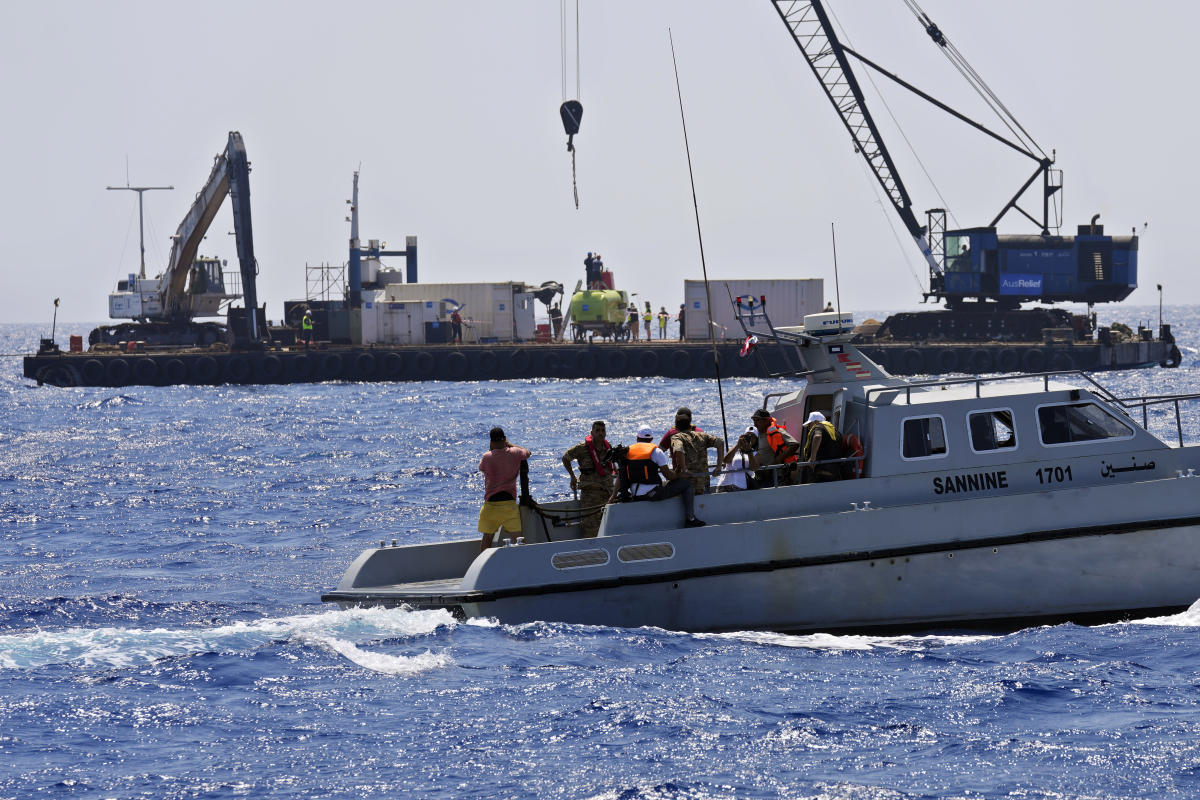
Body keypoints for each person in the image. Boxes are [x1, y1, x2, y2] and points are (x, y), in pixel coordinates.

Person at [612, 425, 704, 528]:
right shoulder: (656, 452)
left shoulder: (628, 451)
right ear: (651, 439)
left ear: (637, 438)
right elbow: (669, 476)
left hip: (635, 493)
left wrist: (612, 496)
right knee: (686, 484)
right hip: (652, 494)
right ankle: (690, 519)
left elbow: (621, 475)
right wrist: (680, 474)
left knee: (666, 484)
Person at [477, 427, 531, 550]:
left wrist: (492, 450)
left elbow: (481, 468)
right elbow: (527, 453)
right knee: (518, 539)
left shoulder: (486, 457)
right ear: (505, 439)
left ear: (491, 442)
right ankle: (525, 563)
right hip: (509, 504)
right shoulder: (516, 452)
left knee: (487, 538)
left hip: (491, 505)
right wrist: (510, 445)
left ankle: (486, 567)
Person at [561, 420, 615, 537]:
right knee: (590, 528)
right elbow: (565, 458)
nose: (601, 433)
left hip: (608, 493)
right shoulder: (582, 448)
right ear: (592, 432)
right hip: (591, 495)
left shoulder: (608, 447)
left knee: (610, 526)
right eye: (597, 431)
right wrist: (572, 476)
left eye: (603, 431)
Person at [668, 410, 725, 497]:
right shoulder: (702, 436)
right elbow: (720, 442)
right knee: (704, 507)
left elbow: (679, 449)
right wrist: (718, 466)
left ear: (676, 426)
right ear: (690, 424)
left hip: (687, 482)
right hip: (703, 480)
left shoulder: (677, 437)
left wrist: (684, 469)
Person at [751, 408, 799, 487]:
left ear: (766, 421)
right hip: (763, 476)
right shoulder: (759, 435)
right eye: (754, 420)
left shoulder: (777, 431)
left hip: (776, 475)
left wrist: (778, 459)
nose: (755, 424)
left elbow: (794, 444)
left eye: (758, 420)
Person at [800, 410, 842, 483]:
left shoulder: (818, 427)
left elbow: (817, 436)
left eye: (809, 424)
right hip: (833, 470)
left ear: (816, 421)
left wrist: (812, 459)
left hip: (819, 471)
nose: (809, 428)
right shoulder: (834, 431)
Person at [716, 427, 760, 492]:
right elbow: (725, 460)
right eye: (747, 436)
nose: (750, 438)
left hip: (740, 486)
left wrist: (749, 451)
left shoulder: (756, 454)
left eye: (753, 437)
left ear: (756, 440)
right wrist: (738, 445)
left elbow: (754, 467)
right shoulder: (735, 449)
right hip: (724, 484)